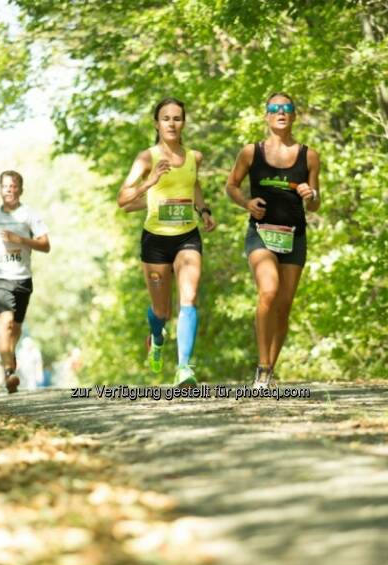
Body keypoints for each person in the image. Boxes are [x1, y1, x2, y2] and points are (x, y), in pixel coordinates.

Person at [117, 97, 216, 386]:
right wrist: (149, 182)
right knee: (161, 311)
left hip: (187, 236)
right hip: (156, 241)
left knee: (189, 298)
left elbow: (194, 184)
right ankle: (156, 337)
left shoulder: (194, 157)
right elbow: (122, 199)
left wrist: (204, 210)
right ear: (157, 123)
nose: (171, 123)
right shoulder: (146, 158)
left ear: (183, 122)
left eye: (177, 118)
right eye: (165, 118)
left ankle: (184, 368)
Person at [226, 93, 320, 387]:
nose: (281, 113)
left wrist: (311, 195)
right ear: (266, 116)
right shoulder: (251, 152)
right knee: (269, 290)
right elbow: (231, 186)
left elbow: (315, 204)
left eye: (287, 108)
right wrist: (246, 203)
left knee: (283, 306)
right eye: (274, 109)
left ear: (294, 115)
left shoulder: (310, 155)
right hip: (261, 233)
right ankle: (262, 366)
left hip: (294, 236)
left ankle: (269, 372)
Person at [0, 171, 50, 393]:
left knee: (15, 329)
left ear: (21, 189)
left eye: (14, 186)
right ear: (0, 189)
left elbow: (45, 245)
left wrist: (20, 240)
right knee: (5, 324)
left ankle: (9, 360)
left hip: (23, 279)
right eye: (6, 186)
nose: (10, 190)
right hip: (0, 278)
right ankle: (8, 372)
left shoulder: (30, 215)